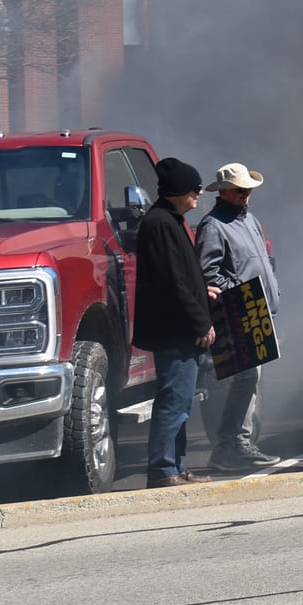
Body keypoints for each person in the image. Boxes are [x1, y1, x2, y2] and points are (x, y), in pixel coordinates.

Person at [134, 157, 214, 488]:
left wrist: (202, 290)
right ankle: (163, 469)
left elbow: (183, 276)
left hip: (177, 328)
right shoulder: (161, 224)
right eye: (194, 189)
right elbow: (173, 282)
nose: (198, 195)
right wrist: (200, 324)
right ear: (178, 191)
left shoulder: (169, 221)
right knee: (174, 399)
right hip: (176, 331)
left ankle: (177, 466)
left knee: (181, 401)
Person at [195, 162, 280, 471]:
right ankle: (231, 444)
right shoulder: (214, 226)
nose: (246, 194)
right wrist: (243, 292)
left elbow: (263, 262)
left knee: (250, 379)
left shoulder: (250, 220)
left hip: (255, 308)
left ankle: (236, 444)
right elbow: (209, 275)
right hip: (237, 310)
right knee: (244, 379)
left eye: (247, 189)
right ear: (225, 192)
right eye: (240, 189)